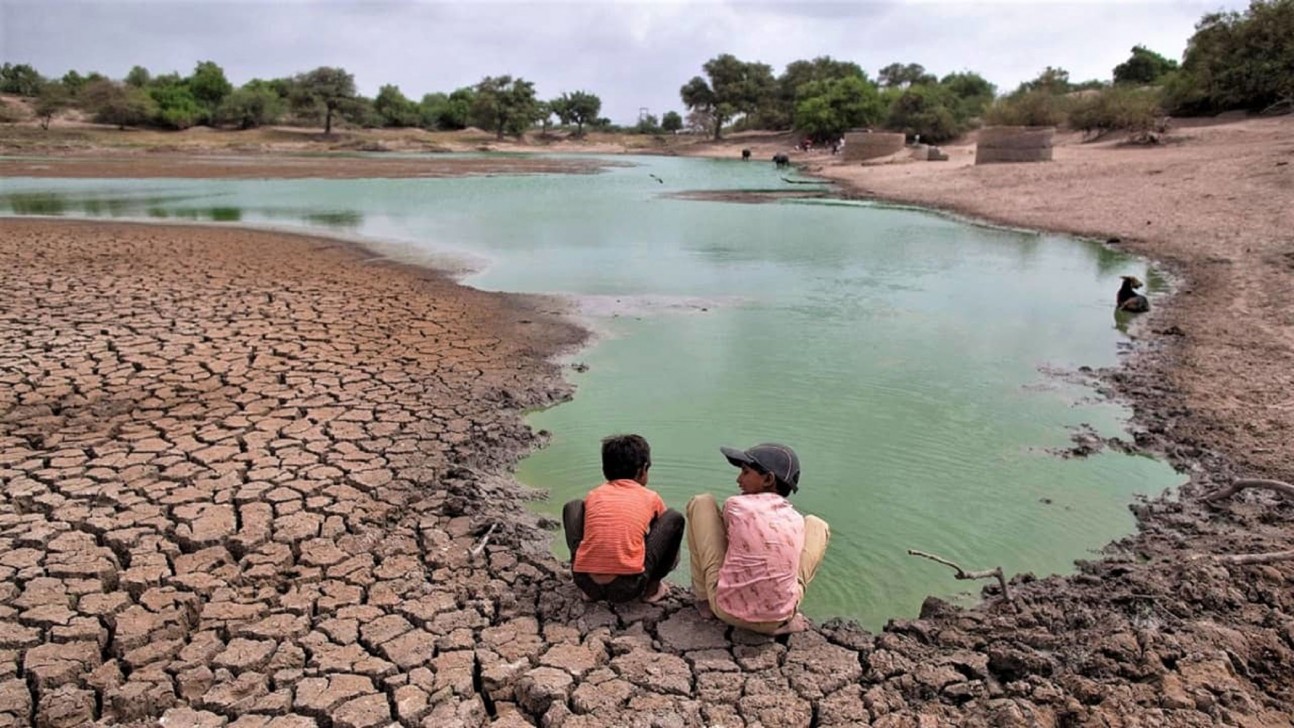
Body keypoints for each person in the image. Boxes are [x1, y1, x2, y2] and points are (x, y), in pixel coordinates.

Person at [686, 442, 829, 634]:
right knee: (818, 525)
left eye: (745, 472)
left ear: (768, 479)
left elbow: (729, 545)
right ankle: (783, 617)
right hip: (779, 617)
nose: (739, 479)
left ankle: (704, 599)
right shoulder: (795, 519)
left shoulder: (736, 505)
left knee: (702, 503)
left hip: (726, 611)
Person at [563, 434, 684, 603]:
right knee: (674, 518)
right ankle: (652, 589)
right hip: (628, 588)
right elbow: (664, 536)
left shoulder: (594, 495)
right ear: (642, 470)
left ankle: (587, 580)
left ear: (605, 470)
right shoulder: (650, 497)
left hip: (586, 582)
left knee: (573, 506)